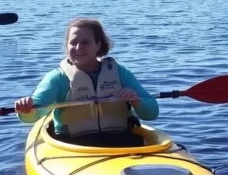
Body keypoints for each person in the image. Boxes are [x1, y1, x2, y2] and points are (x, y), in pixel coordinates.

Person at [14, 18, 159, 146]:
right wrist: (26, 109)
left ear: (98, 45)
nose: (78, 48)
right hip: (73, 144)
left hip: (119, 141)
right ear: (67, 46)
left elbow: (152, 113)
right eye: (73, 43)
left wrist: (137, 101)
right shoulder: (58, 78)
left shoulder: (119, 73)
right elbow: (34, 114)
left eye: (85, 42)